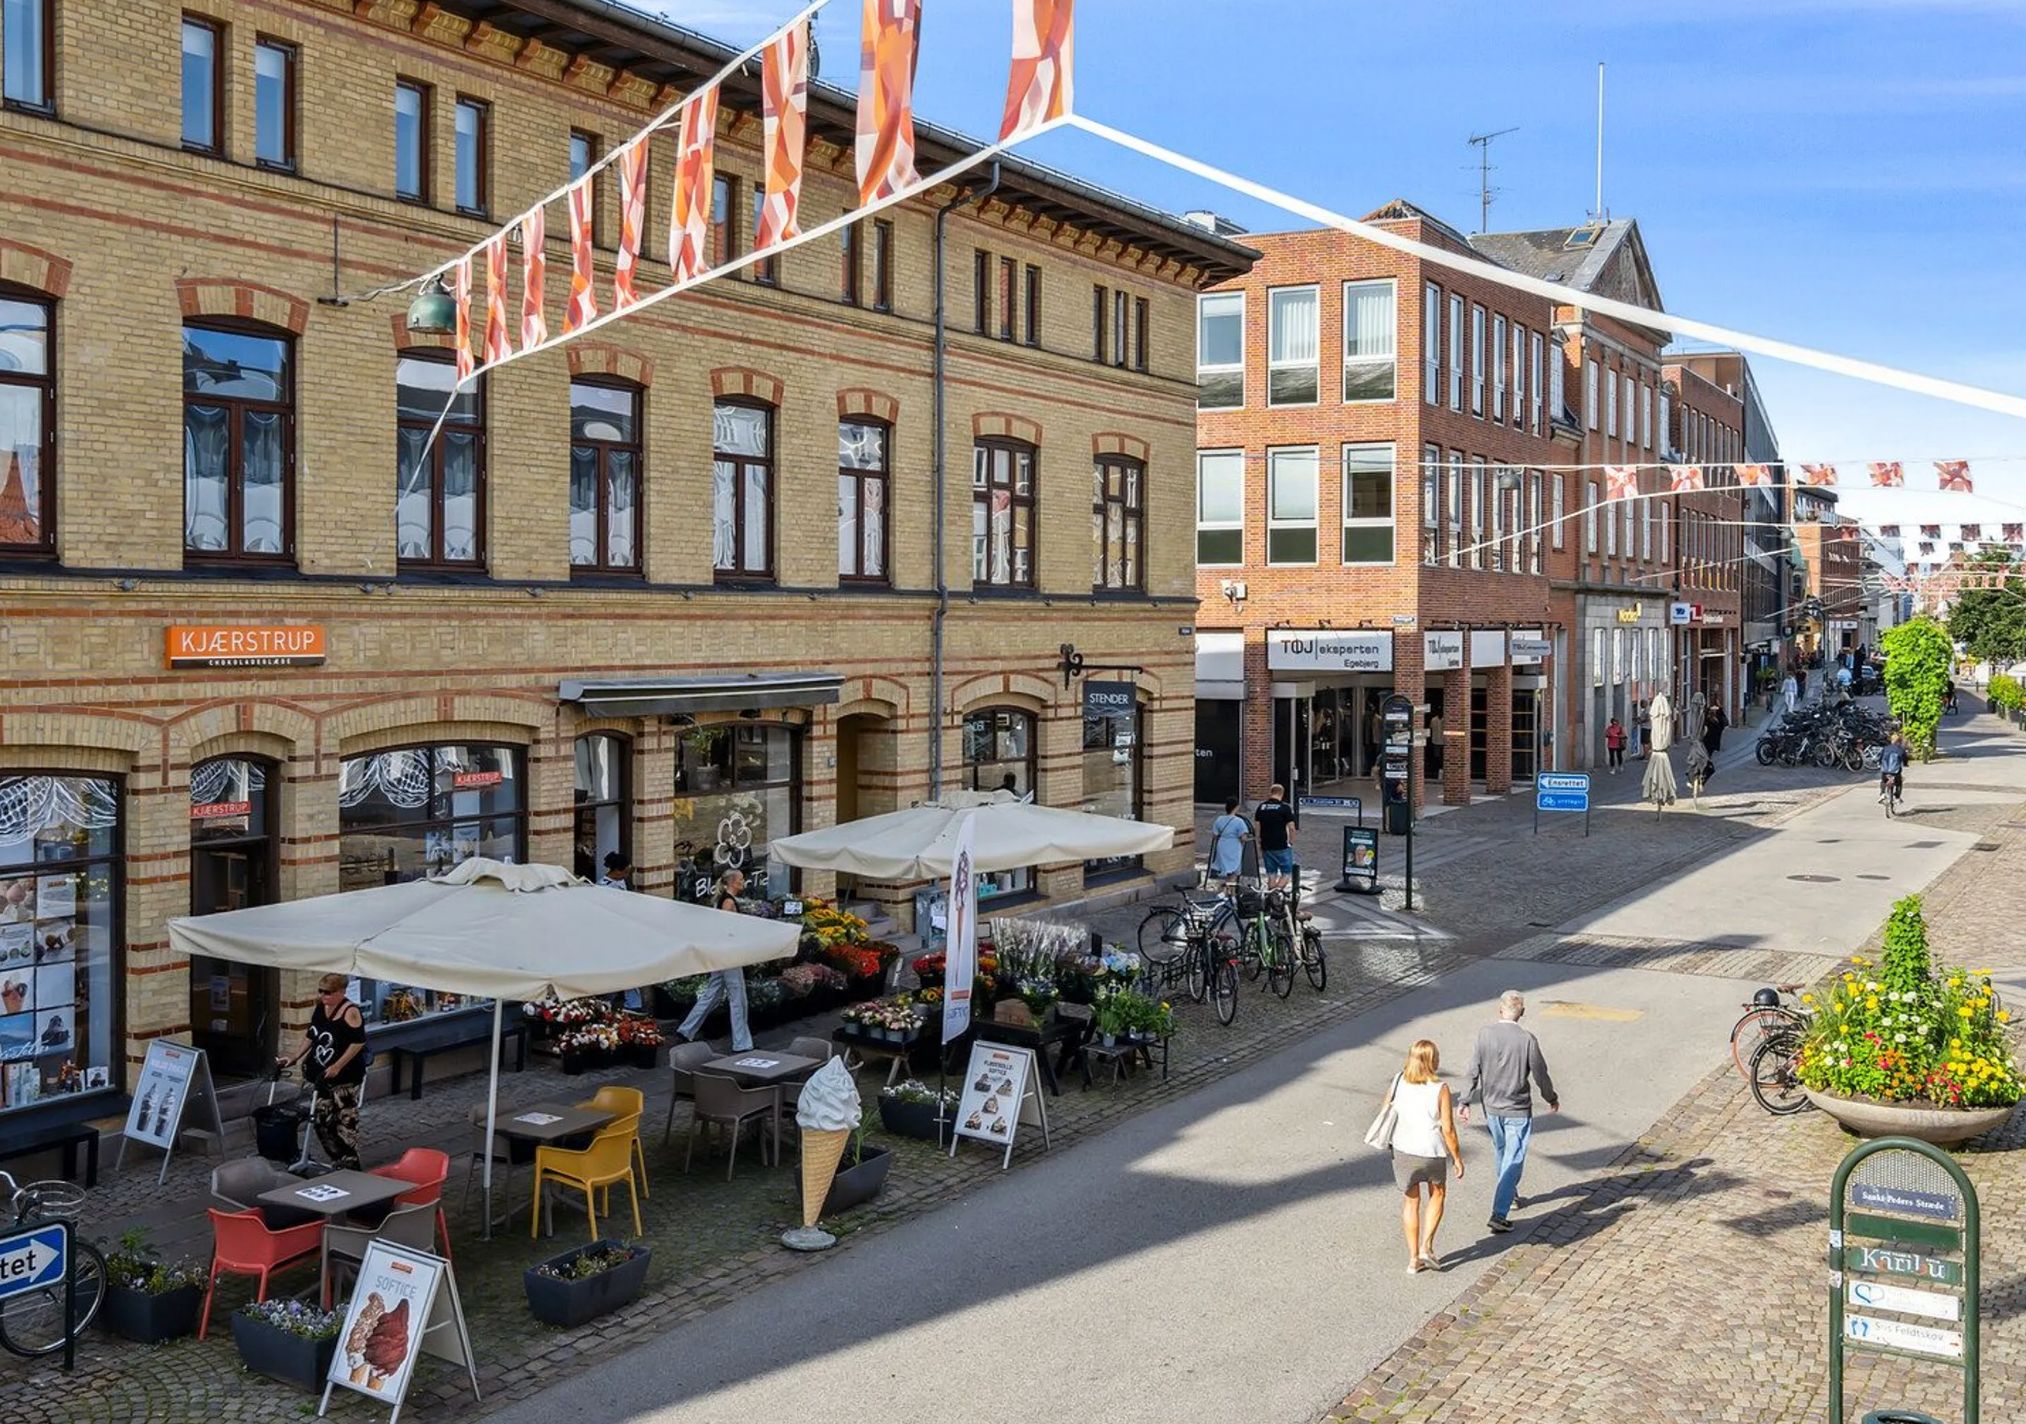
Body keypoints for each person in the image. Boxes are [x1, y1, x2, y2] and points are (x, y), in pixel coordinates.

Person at [1458, 990, 1559, 1233]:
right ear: (1522, 1013)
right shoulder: (1527, 1040)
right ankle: (1499, 1212)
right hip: (1517, 1108)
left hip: (1492, 1107)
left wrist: (1464, 1100)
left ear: (1499, 1009)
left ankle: (1510, 1195)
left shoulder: (1485, 1035)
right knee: (1513, 1158)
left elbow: (1473, 1069)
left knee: (1503, 1152)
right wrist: (1551, 1097)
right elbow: (1540, 1073)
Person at [1382, 1039, 1464, 1274]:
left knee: (1411, 1201)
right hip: (1431, 1151)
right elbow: (1448, 1128)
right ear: (1433, 1060)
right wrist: (1457, 1158)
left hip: (1403, 1148)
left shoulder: (1399, 1080)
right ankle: (1426, 1246)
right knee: (1437, 1193)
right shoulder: (1440, 1088)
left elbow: (1387, 1108)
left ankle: (1412, 1259)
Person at [279, 973, 366, 1172]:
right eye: (321, 991)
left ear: (341, 992)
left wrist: (338, 1066)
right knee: (321, 1120)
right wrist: (295, 1056)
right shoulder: (320, 1008)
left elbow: (358, 1042)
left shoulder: (350, 1012)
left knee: (345, 1121)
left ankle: (351, 1164)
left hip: (345, 1079)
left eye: (328, 993)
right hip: (320, 1076)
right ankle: (337, 1159)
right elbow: (312, 1034)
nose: (323, 996)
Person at [678, 869, 755, 1051]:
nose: (743, 882)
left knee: (713, 993)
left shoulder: (721, 900)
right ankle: (741, 1043)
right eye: (741, 879)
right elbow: (726, 929)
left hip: (720, 954)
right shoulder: (728, 902)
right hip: (729, 954)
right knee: (738, 998)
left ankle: (686, 1029)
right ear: (733, 882)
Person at [1252, 784, 1298, 891]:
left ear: (1270, 793)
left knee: (1271, 874)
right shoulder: (1285, 808)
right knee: (1286, 873)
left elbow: (1257, 827)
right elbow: (1291, 828)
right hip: (1281, 844)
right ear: (1281, 794)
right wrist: (1291, 841)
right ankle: (1276, 893)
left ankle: (1271, 899)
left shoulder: (1261, 807)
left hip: (1266, 845)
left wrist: (1258, 842)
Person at [1206, 798, 1250, 883]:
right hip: (1234, 847)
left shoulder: (1219, 819)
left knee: (1223, 868)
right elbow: (1243, 837)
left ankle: (1223, 890)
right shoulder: (1239, 821)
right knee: (1233, 871)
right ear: (1236, 807)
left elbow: (1215, 835)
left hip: (1222, 845)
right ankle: (1230, 892)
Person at [1879, 731, 1907, 807]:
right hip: (1895, 771)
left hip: (1885, 770)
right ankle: (1897, 797)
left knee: (1883, 781)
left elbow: (1880, 758)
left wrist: (1879, 764)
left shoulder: (1885, 748)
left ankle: (1882, 793)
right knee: (1899, 783)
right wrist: (1905, 764)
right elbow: (1905, 759)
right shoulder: (1901, 750)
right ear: (1899, 741)